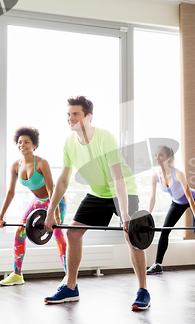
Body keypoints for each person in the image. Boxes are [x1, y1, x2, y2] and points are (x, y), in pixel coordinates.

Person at [43, 96, 150, 310]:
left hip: (124, 190)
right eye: (68, 114)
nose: (70, 118)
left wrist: (126, 214)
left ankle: (143, 290)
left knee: (132, 236)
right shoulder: (69, 143)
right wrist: (50, 211)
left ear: (88, 116)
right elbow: (62, 181)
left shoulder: (104, 138)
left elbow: (118, 179)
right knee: (72, 233)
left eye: (75, 114)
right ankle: (71, 287)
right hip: (98, 194)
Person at [0, 127, 67, 286]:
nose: (22, 145)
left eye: (26, 142)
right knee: (20, 232)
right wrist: (0, 216)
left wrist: (54, 214)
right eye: (20, 142)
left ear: (34, 145)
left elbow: (51, 190)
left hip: (56, 200)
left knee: (57, 233)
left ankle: (68, 275)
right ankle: (17, 274)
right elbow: (10, 192)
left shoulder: (41, 163)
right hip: (37, 201)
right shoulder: (16, 165)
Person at [146, 146, 195, 277]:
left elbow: (189, 197)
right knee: (165, 231)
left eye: (161, 155)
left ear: (168, 157)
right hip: (177, 202)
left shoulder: (178, 174)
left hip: (194, 200)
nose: (157, 158)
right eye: (156, 155)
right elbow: (152, 198)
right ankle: (158, 265)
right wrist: (147, 216)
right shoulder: (155, 176)